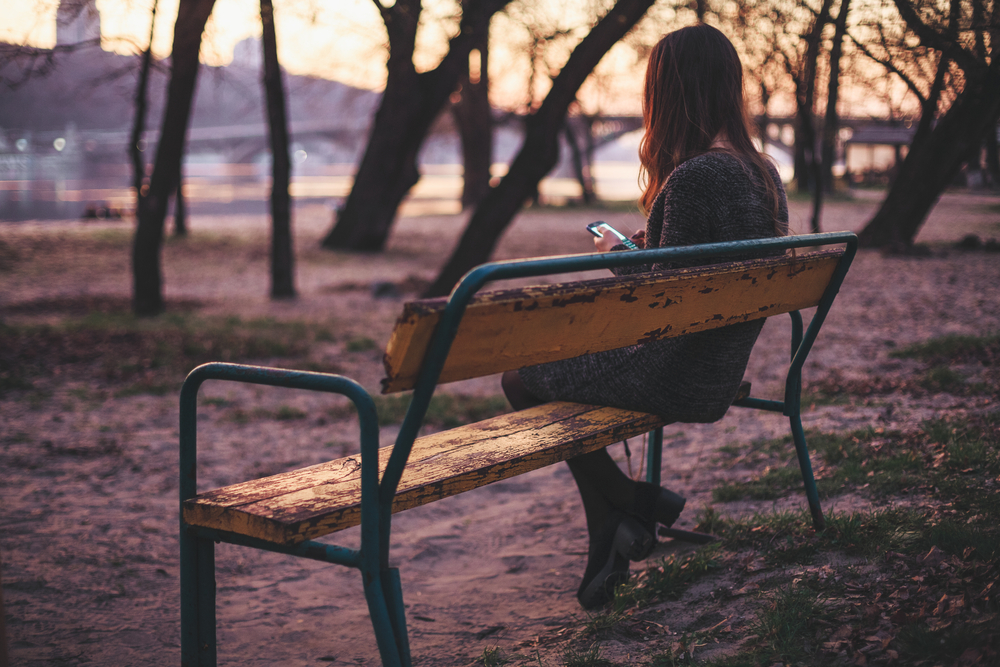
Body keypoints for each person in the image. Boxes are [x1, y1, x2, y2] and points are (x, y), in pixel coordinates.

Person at [501, 23, 789, 609]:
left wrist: (618, 256)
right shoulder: (762, 172)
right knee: (551, 373)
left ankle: (629, 499)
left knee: (519, 378)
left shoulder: (694, 177)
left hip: (677, 371)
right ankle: (616, 520)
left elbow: (661, 297)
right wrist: (652, 248)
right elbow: (693, 276)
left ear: (668, 94)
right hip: (720, 363)